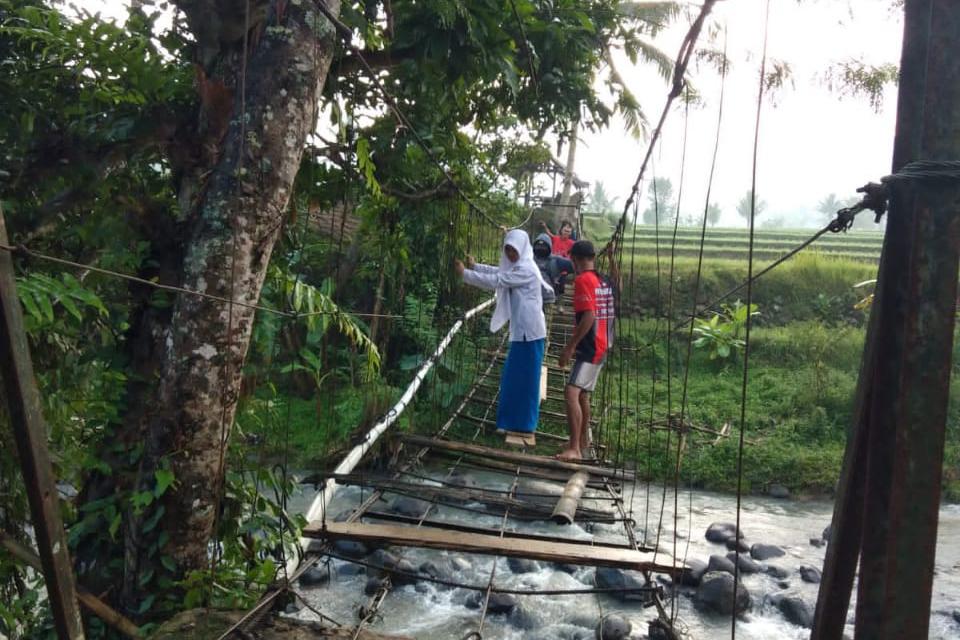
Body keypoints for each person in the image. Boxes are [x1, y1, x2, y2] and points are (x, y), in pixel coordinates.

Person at [455, 230, 556, 435]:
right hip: (523, 331)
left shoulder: (526, 269)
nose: (510, 254)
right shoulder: (520, 265)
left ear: (522, 249)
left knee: (525, 380)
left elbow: (498, 281)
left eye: (513, 250)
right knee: (513, 378)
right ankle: (510, 421)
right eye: (507, 250)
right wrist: (476, 266)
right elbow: (499, 271)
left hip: (530, 333)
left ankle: (524, 424)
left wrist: (465, 274)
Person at [557, 240, 615, 461]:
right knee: (582, 395)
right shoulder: (604, 280)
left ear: (577, 260)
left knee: (571, 392)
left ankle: (574, 449)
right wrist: (611, 258)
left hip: (591, 346)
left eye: (572, 260)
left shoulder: (583, 280)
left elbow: (589, 316)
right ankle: (583, 443)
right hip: (604, 345)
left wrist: (569, 348)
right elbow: (618, 283)